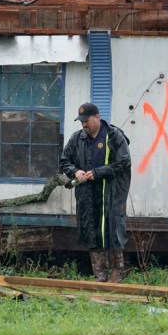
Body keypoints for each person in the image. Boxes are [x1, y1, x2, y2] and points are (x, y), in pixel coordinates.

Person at [60, 102, 132, 282]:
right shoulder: (77, 138)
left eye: (87, 121)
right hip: (87, 194)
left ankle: (117, 271)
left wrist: (99, 173)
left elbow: (124, 163)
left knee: (113, 229)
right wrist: (76, 171)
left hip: (111, 193)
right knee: (91, 230)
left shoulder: (114, 136)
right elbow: (64, 161)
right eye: (81, 121)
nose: (84, 125)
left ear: (97, 117)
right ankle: (100, 273)